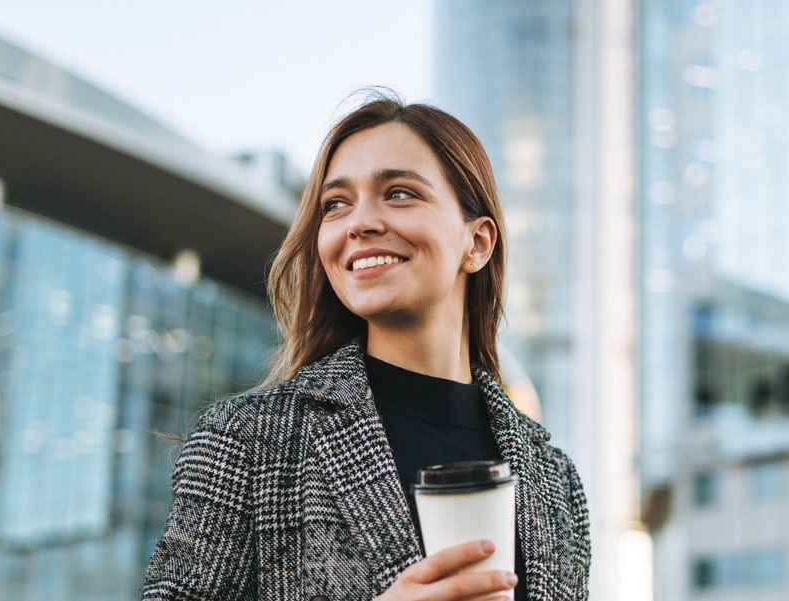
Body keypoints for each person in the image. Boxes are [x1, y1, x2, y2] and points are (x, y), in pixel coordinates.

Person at [142, 91, 591, 600]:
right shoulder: (248, 440)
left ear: (478, 243)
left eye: (399, 193)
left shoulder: (556, 481)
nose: (359, 223)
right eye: (336, 204)